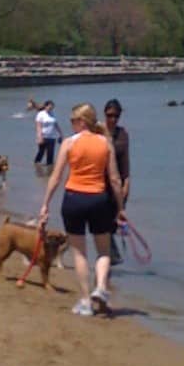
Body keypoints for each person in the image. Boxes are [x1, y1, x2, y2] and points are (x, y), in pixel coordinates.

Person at [38, 102, 123, 317]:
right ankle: (101, 288)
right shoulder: (106, 143)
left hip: (74, 199)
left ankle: (86, 301)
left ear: (81, 121)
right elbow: (114, 179)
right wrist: (120, 207)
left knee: (79, 253)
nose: (71, 125)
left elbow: (56, 177)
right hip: (98, 199)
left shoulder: (68, 143)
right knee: (103, 251)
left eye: (73, 121)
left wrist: (45, 204)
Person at [104, 99, 131, 266]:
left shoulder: (123, 134)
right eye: (110, 115)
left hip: (118, 185)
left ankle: (109, 258)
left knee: (114, 223)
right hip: (101, 184)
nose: (113, 119)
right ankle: (109, 257)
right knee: (104, 222)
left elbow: (125, 162)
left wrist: (127, 183)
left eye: (116, 116)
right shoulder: (98, 132)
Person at [34, 100, 59, 168]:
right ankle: (36, 164)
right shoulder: (40, 114)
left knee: (50, 153)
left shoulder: (52, 113)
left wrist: (60, 133)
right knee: (41, 152)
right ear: (46, 106)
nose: (51, 108)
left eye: (52, 107)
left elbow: (55, 124)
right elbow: (38, 126)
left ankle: (49, 168)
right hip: (43, 136)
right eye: (50, 107)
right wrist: (40, 137)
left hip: (52, 137)